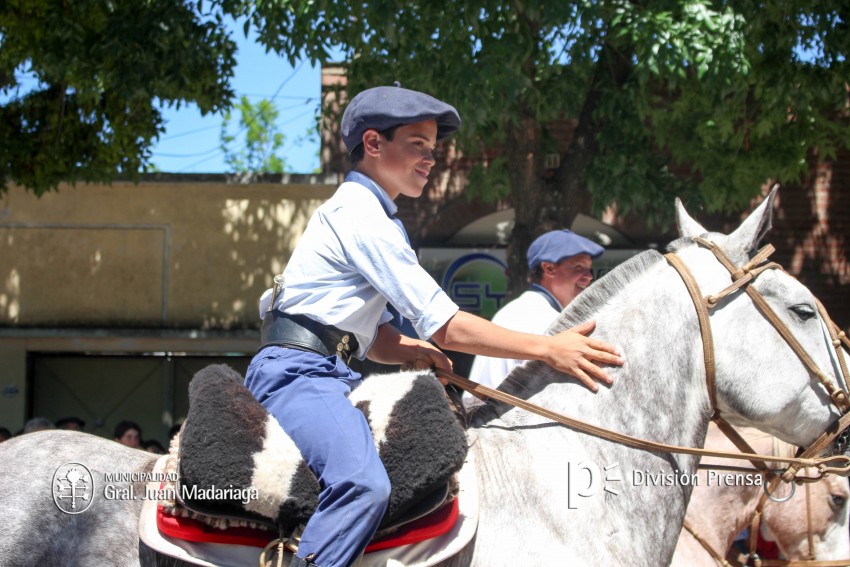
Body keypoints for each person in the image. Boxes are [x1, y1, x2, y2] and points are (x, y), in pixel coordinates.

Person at [246, 84, 623, 567]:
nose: (430, 159)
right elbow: (446, 324)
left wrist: (410, 350)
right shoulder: (360, 213)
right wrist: (549, 350)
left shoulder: (378, 216)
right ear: (374, 144)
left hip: (328, 370)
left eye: (433, 149)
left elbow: (376, 336)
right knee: (361, 483)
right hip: (298, 372)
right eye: (417, 145)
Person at [465, 229, 604, 405]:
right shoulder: (540, 316)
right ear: (549, 268)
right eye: (579, 267)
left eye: (589, 269)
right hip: (498, 425)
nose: (589, 277)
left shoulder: (528, 307)